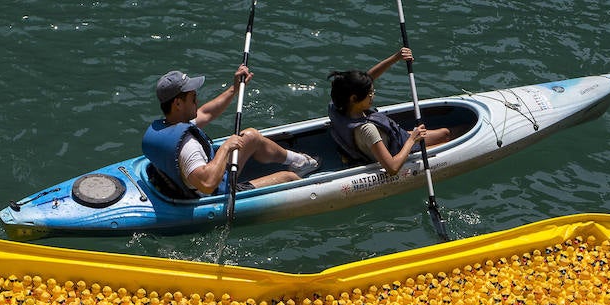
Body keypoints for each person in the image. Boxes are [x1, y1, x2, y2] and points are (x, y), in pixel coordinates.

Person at [142, 66, 319, 198]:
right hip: (215, 191)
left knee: (250, 136)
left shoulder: (168, 125)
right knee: (288, 178)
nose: (197, 99)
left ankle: (301, 162)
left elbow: (207, 112)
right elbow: (207, 184)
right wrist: (226, 147)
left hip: (202, 176)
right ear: (178, 104)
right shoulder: (189, 146)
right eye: (193, 97)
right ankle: (307, 181)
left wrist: (234, 89)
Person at [327, 48, 456, 174]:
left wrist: (396, 57)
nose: (373, 96)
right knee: (445, 135)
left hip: (391, 139)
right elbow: (392, 168)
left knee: (443, 133)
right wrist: (412, 140)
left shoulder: (338, 105)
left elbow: (367, 79)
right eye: (370, 94)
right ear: (354, 98)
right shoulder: (368, 130)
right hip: (398, 150)